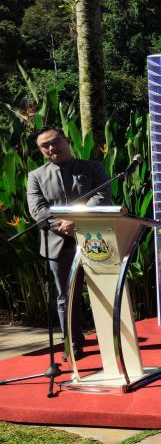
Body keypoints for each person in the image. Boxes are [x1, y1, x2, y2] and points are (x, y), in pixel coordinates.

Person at [26, 125, 111, 358]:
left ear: (67, 140)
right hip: (57, 244)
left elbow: (102, 196)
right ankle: (72, 343)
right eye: (45, 146)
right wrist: (63, 226)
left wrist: (77, 222)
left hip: (96, 241)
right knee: (66, 296)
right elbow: (38, 210)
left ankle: (112, 339)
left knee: (103, 292)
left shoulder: (93, 168)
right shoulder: (36, 177)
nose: (52, 148)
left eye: (56, 141)